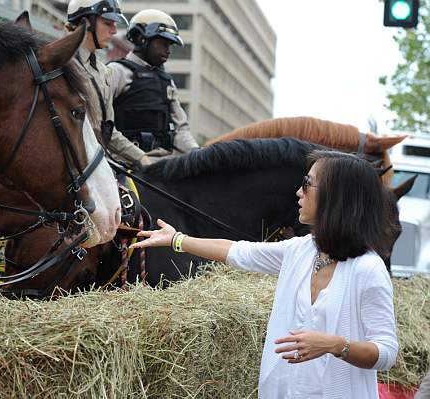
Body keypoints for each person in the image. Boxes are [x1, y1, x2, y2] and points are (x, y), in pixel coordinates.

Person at [131, 150, 399, 398]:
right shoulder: (300, 250)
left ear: (337, 196)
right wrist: (177, 239)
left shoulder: (368, 270)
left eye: (307, 183)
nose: (298, 192)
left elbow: (386, 353)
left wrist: (336, 345)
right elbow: (239, 252)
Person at [65, 0, 151, 168]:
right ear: (86, 22)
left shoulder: (105, 72)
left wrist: (142, 158)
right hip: (72, 169)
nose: (114, 31)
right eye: (108, 23)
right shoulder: (61, 67)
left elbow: (109, 133)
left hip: (101, 163)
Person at [109, 9, 199, 160]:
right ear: (140, 38)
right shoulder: (117, 71)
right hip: (122, 165)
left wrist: (199, 154)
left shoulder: (166, 81)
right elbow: (100, 123)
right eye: (163, 43)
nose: (168, 50)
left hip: (161, 166)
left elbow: (180, 129)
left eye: (170, 45)